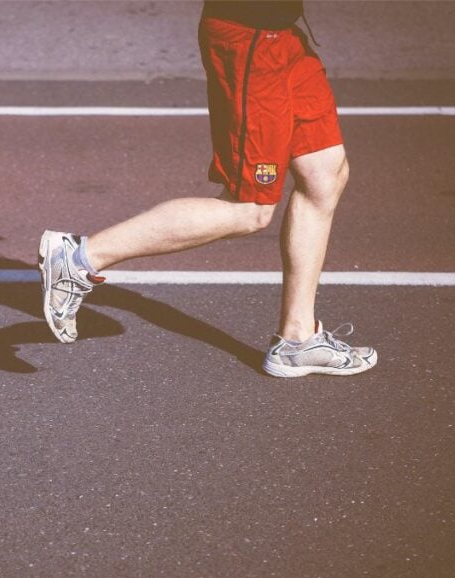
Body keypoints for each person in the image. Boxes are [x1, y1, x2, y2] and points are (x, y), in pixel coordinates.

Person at [38, 0, 377, 377]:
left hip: (283, 36)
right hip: (250, 36)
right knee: (250, 208)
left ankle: (297, 340)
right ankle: (79, 258)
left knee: (324, 173)